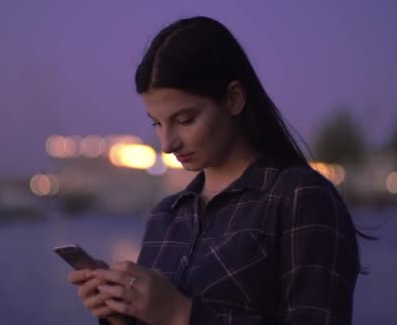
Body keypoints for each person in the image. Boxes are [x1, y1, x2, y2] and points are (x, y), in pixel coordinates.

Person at [68, 16, 362, 324]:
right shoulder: (165, 216)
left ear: (234, 99)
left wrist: (179, 313)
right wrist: (122, 312)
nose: (167, 144)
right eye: (157, 124)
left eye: (185, 120)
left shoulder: (300, 197)